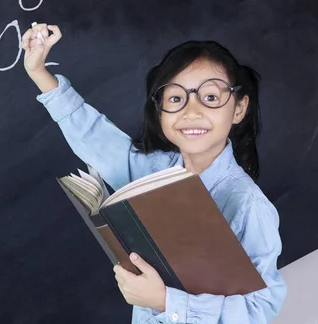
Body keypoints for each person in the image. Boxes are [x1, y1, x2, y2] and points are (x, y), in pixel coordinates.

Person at [22, 23, 287, 323]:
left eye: (211, 98)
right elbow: (96, 138)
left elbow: (260, 309)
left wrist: (164, 301)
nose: (192, 111)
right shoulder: (155, 171)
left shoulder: (247, 203)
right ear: (159, 109)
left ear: (239, 109)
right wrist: (39, 72)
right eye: (176, 98)